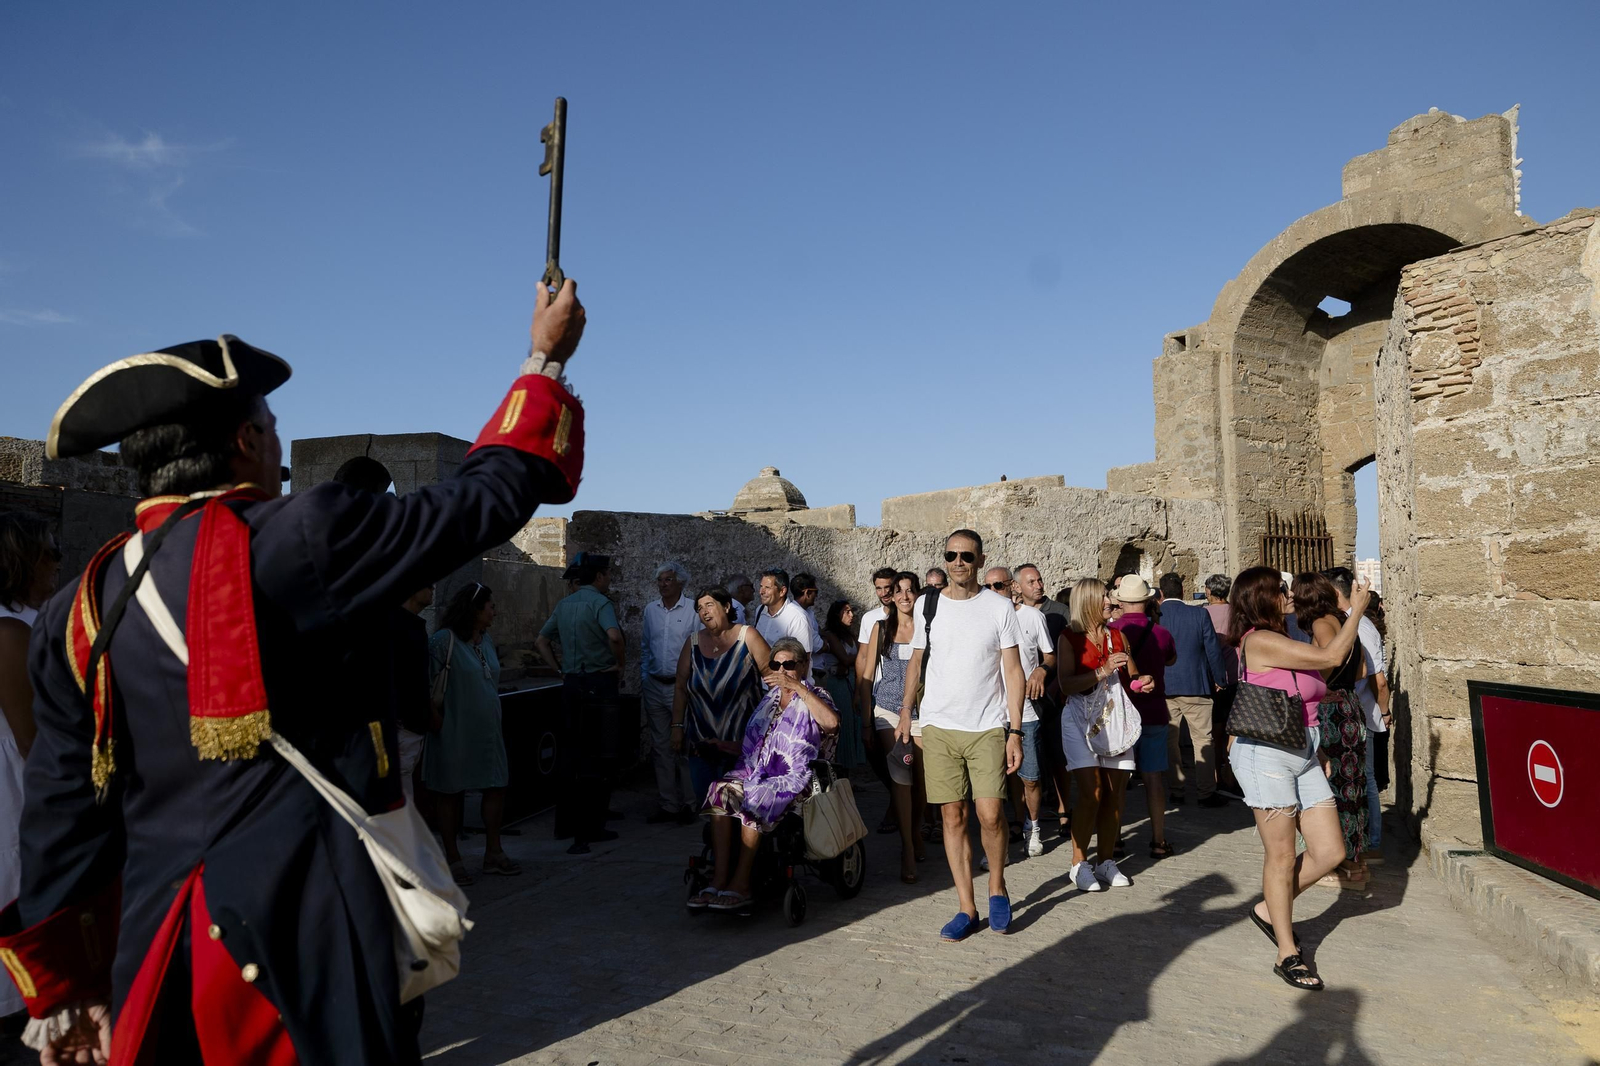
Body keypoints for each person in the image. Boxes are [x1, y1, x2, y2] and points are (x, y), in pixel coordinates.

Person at [0, 278, 587, 1064]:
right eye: (272, 427)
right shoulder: (304, 537)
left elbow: (60, 812)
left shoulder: (81, 605)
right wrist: (542, 363)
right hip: (308, 937)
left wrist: (65, 991)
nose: (280, 446)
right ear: (245, 441)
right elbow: (479, 503)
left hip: (160, 948)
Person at [1228, 565, 1371, 991]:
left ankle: (1270, 910)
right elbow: (1331, 658)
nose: (1288, 593)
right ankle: (1286, 952)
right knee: (1281, 855)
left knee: (1330, 850)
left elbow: (1310, 693)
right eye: (1280, 589)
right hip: (1265, 758)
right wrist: (1357, 611)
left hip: (1303, 751)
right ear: (1262, 598)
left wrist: (1318, 746)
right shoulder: (1259, 640)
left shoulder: (1285, 639)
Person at [896, 530, 1024, 941]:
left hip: (987, 724)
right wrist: (905, 712)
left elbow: (1013, 670)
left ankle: (997, 887)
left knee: (990, 814)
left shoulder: (999, 607)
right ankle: (967, 908)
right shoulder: (927, 604)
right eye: (951, 555)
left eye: (966, 556)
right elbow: (916, 662)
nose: (958, 562)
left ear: (980, 559)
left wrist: (1016, 730)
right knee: (952, 816)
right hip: (938, 724)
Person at [690, 637, 840, 911]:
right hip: (756, 772)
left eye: (789, 664)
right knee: (720, 789)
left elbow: (831, 723)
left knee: (756, 796)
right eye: (776, 664)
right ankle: (720, 879)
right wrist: (721, 745)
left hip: (796, 779)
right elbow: (756, 747)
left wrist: (797, 687)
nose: (782, 670)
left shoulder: (817, 696)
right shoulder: (768, 701)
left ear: (804, 665)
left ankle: (742, 884)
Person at [0, 513, 62, 1025]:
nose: (57, 562)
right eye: (48, 552)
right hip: (18, 791)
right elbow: (30, 738)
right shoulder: (9, 632)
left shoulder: (26, 622)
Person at [424, 583, 518, 885]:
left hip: (487, 732)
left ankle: (494, 852)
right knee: (450, 791)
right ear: (476, 609)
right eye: (490, 606)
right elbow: (427, 685)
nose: (495, 611)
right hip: (454, 729)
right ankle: (453, 857)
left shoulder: (486, 640)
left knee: (495, 786)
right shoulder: (443, 641)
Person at [536, 552, 627, 855]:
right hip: (599, 684)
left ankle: (565, 825)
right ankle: (590, 829)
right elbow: (614, 635)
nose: (609, 579)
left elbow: (541, 641)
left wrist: (558, 669)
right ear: (599, 576)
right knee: (599, 756)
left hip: (571, 683)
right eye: (607, 574)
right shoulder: (600, 603)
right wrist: (619, 663)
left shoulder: (565, 604)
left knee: (570, 754)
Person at [1057, 578, 1138, 893]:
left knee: (1115, 793)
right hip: (1079, 718)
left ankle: (1105, 861)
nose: (1110, 600)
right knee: (1091, 791)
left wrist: (1142, 681)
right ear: (1089, 601)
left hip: (1112, 718)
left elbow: (1133, 677)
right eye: (1105, 596)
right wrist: (1102, 670)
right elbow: (1065, 685)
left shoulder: (1118, 635)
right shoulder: (1069, 638)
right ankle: (1079, 864)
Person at [1296, 571, 1369, 888]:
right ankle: (1356, 861)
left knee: (1330, 786)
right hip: (1351, 707)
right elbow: (1362, 668)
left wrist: (1317, 685)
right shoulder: (1342, 620)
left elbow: (1329, 658)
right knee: (1352, 784)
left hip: (1330, 713)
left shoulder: (1321, 623)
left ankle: (1337, 863)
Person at [671, 588, 770, 799]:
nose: (704, 611)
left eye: (709, 605)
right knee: (707, 803)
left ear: (726, 606)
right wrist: (677, 726)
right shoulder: (693, 642)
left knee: (739, 806)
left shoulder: (748, 636)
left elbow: (773, 680)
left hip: (741, 744)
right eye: (699, 608)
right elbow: (680, 686)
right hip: (702, 743)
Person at [860, 573, 926, 883]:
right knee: (901, 775)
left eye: (909, 590)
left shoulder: (928, 629)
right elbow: (867, 676)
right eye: (898, 591)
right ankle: (908, 848)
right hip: (887, 709)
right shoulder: (881, 628)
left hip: (922, 711)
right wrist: (865, 721)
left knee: (923, 784)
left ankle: (914, 833)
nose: (903, 596)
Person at [1108, 576, 1178, 860]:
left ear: (1120, 601)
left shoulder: (1112, 630)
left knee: (1119, 781)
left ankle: (1114, 840)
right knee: (1154, 779)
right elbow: (1171, 659)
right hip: (1153, 711)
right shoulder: (1161, 633)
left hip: (1120, 716)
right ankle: (1159, 840)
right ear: (1148, 600)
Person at [1324, 569, 1391, 860]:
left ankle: (1373, 842)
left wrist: (1384, 713)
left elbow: (1378, 679)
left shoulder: (1359, 627)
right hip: (1360, 712)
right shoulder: (1350, 623)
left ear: (1335, 593)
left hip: (1363, 713)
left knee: (1368, 781)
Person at [990, 567, 1056, 860]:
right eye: (989, 586)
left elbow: (1050, 654)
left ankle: (1033, 827)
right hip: (991, 712)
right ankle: (999, 842)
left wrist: (1042, 670)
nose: (995, 591)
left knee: (1030, 777)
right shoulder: (982, 617)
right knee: (994, 781)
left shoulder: (1032, 617)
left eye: (1000, 585)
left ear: (1012, 587)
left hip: (1026, 711)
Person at [1155, 573, 1229, 808]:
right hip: (1196, 685)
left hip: (1164, 687)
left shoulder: (1157, 617)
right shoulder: (1199, 614)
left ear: (1161, 594)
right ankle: (1206, 792)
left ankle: (1176, 790)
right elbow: (1213, 650)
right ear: (1183, 591)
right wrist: (1219, 679)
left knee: (1170, 741)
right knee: (1203, 739)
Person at [640, 561, 700, 825]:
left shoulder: (692, 611)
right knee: (661, 748)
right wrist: (644, 676)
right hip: (654, 684)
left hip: (682, 687)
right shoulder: (650, 611)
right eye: (660, 580)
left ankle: (690, 803)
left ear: (680, 583)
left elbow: (698, 648)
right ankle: (668, 804)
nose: (663, 584)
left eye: (668, 580)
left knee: (684, 747)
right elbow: (645, 645)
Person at [1015, 564, 1072, 841]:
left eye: (1039, 580)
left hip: (1052, 696)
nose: (1038, 585)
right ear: (1018, 587)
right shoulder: (1010, 616)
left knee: (1057, 755)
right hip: (1024, 701)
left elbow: (1064, 653)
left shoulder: (1059, 613)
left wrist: (1057, 685)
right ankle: (1026, 815)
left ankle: (1064, 811)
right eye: (1031, 581)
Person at [856, 567, 903, 819]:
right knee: (876, 754)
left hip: (902, 696)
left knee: (897, 757)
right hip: (876, 693)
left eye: (888, 587)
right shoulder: (870, 619)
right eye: (879, 588)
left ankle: (898, 807)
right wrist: (858, 689)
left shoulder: (909, 615)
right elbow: (863, 657)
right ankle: (896, 801)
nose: (884, 593)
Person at [396, 585, 436, 804]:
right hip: (402, 724)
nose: (432, 589)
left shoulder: (413, 625)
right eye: (427, 584)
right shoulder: (396, 626)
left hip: (412, 725)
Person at [819, 599, 865, 770]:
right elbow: (846, 658)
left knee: (853, 723)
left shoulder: (850, 634)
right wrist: (860, 658)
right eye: (846, 612)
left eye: (851, 611)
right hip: (838, 684)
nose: (851, 615)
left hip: (851, 681)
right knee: (843, 725)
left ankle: (851, 771)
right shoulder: (830, 634)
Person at [751, 568, 820, 660]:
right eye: (761, 586)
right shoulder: (760, 610)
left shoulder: (797, 617)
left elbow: (804, 658)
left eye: (767, 587)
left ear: (782, 591)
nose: (761, 592)